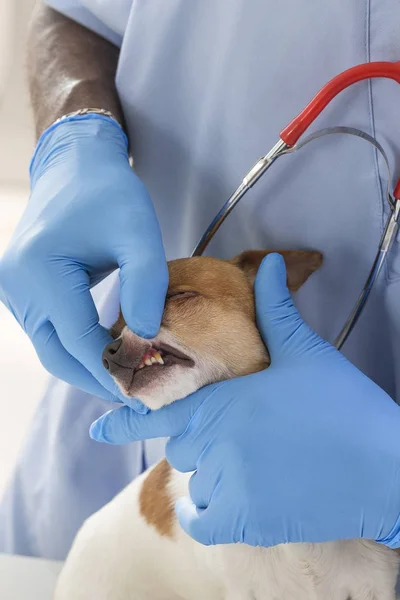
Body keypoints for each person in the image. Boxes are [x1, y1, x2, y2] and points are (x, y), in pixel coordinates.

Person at [1, 0, 400, 561]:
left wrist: (392, 485)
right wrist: (74, 137)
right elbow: (77, 13)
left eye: (181, 299)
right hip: (110, 487)